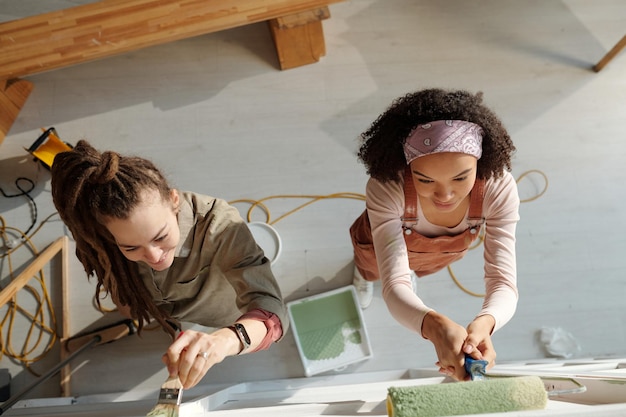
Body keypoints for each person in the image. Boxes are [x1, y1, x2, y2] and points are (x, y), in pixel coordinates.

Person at [50, 140, 288, 389]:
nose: (153, 257)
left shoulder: (218, 223)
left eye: (160, 237)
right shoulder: (102, 237)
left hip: (222, 315)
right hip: (157, 308)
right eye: (131, 247)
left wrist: (224, 342)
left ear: (174, 200)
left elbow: (272, 314)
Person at [349, 88, 520, 381]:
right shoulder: (387, 187)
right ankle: (363, 277)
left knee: (416, 271)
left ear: (480, 162)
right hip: (379, 244)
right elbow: (395, 287)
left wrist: (486, 321)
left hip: (437, 254)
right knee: (373, 268)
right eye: (424, 179)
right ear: (407, 166)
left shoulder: (498, 188)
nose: (445, 195)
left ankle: (406, 273)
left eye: (461, 177)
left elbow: (503, 282)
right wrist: (435, 325)